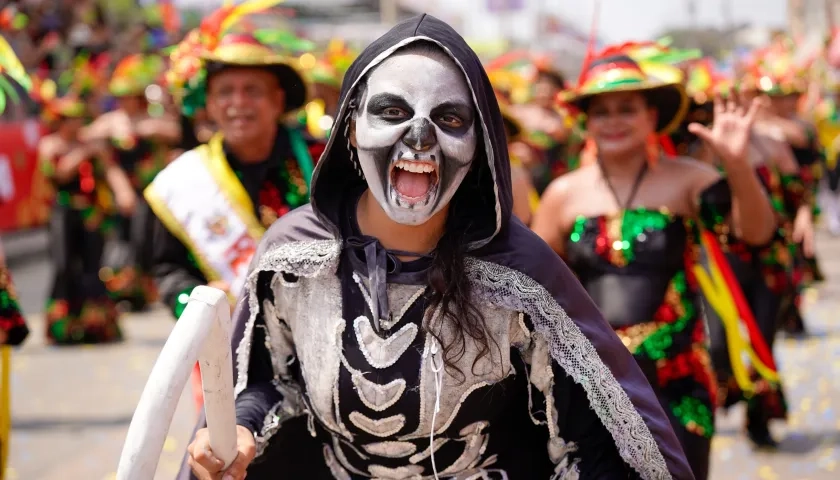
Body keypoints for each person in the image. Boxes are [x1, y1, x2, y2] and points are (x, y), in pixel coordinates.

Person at [182, 14, 693, 480]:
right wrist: (238, 433)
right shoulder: (295, 257)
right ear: (352, 129)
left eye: (449, 119)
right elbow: (268, 380)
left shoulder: (518, 273)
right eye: (392, 111)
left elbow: (593, 440)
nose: (419, 139)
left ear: (479, 144)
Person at [532, 49, 776, 480]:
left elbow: (755, 234)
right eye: (601, 111)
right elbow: (533, 286)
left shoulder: (688, 179)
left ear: (652, 116)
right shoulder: (563, 194)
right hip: (591, 381)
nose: (613, 121)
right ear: (586, 121)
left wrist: (737, 165)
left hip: (677, 377)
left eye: (627, 109)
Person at [81, 53, 178, 311]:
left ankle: (146, 288)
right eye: (121, 97)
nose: (125, 102)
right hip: (122, 190)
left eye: (129, 96)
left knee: (147, 237)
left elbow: (174, 131)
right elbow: (87, 137)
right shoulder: (112, 121)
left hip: (152, 189)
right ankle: (124, 288)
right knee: (123, 238)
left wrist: (143, 130)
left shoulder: (152, 119)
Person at [38, 94, 136, 344]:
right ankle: (64, 326)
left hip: (91, 214)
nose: (76, 123)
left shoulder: (93, 146)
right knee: (64, 266)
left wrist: (124, 193)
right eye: (70, 118)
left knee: (93, 266)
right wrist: (83, 153)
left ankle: (96, 325)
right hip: (63, 214)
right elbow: (58, 174)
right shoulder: (51, 145)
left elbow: (111, 170)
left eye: (79, 118)